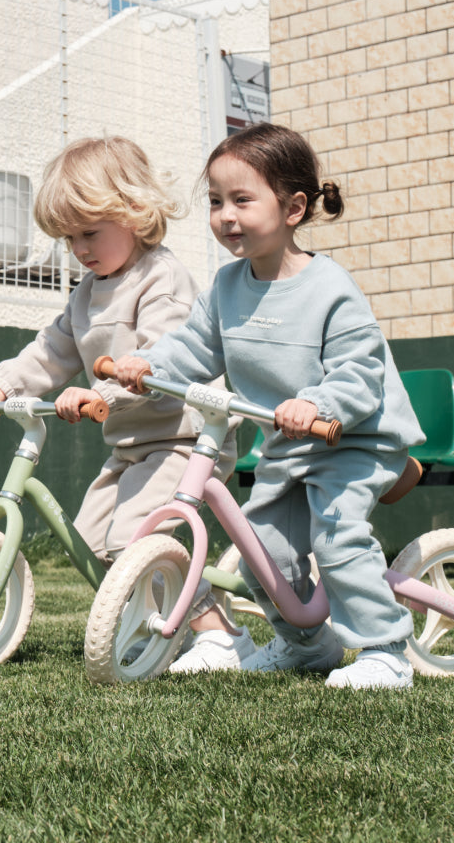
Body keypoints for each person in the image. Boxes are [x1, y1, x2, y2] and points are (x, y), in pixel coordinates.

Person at [113, 122, 424, 688]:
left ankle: (386, 650)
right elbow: (193, 348)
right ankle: (306, 644)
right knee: (258, 547)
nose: (225, 215)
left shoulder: (331, 288)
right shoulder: (226, 288)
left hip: (350, 438)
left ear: (294, 208)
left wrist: (316, 404)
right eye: (215, 202)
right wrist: (150, 368)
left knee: (336, 537)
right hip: (286, 442)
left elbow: (361, 370)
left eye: (241, 200)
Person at [0, 136, 249, 653]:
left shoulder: (163, 279)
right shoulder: (86, 294)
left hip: (186, 440)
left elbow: (159, 360)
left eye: (90, 232)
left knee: (132, 539)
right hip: (132, 446)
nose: (81, 250)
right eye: (69, 239)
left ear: (135, 213)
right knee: (92, 545)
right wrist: (0, 385)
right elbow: (51, 349)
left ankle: (219, 634)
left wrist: (102, 395)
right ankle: (160, 623)